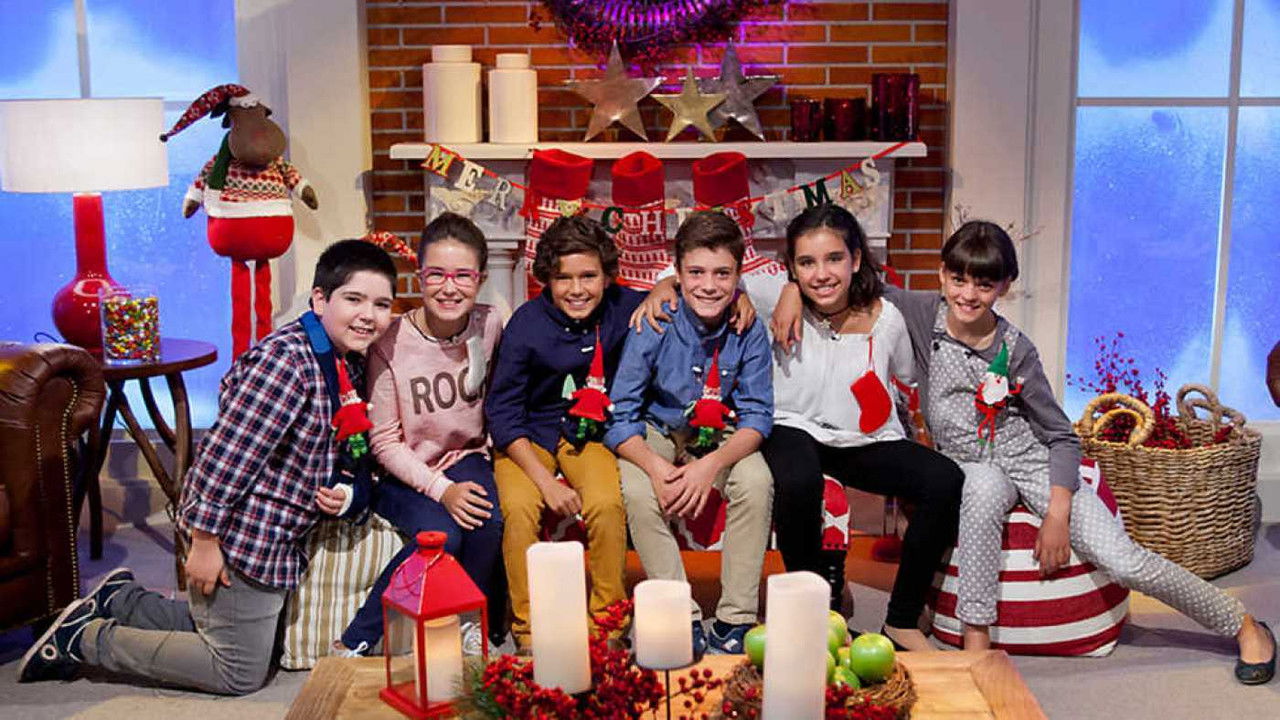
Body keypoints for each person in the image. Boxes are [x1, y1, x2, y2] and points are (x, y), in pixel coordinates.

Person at [775, 219, 1276, 684]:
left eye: (984, 285)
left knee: (1123, 560)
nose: (967, 295)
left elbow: (1061, 435)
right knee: (977, 492)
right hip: (971, 465)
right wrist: (790, 290)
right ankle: (977, 644)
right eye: (958, 280)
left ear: (1005, 287)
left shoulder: (1016, 350)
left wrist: (1057, 513)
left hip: (1031, 461)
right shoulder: (923, 313)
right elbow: (837, 280)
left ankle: (1242, 624)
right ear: (942, 275)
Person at [17, 239, 397, 693]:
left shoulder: (339, 360)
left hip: (277, 533)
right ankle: (84, 641)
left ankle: (122, 601)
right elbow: (224, 458)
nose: (368, 315)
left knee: (238, 632)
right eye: (354, 299)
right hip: (243, 534)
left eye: (381, 304)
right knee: (237, 670)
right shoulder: (287, 363)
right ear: (320, 299)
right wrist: (205, 541)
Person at [758, 205, 962, 651]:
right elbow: (694, 276)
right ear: (791, 267)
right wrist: (787, 290)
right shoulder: (772, 296)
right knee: (798, 479)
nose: (821, 274)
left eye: (833, 258)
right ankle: (816, 611)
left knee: (945, 478)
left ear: (855, 259)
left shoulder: (886, 318)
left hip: (863, 438)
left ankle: (902, 618)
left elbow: (905, 375)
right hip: (793, 427)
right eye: (806, 263)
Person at [605, 210, 774, 656]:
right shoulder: (656, 319)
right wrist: (654, 465)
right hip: (658, 425)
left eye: (722, 273)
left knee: (757, 482)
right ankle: (680, 611)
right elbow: (621, 413)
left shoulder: (749, 326)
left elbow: (758, 416)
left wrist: (710, 466)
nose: (709, 285)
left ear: (739, 275)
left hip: (719, 432)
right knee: (638, 491)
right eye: (696, 273)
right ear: (677, 274)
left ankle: (736, 618)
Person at [336, 212, 504, 657]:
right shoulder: (390, 342)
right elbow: (384, 442)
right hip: (401, 472)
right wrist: (441, 490)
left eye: (463, 275)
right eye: (436, 274)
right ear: (419, 275)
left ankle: (470, 621)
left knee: (489, 521)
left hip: (465, 455)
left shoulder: (490, 324)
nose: (450, 287)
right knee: (442, 536)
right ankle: (357, 639)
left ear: (481, 279)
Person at [485, 215, 643, 653]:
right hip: (526, 436)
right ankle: (529, 630)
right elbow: (502, 412)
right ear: (547, 280)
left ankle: (608, 625)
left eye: (588, 276)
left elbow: (675, 294)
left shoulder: (621, 306)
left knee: (607, 503)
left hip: (586, 433)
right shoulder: (526, 324)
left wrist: (668, 288)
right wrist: (545, 483)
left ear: (607, 277)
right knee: (519, 510)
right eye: (563, 278)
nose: (577, 289)